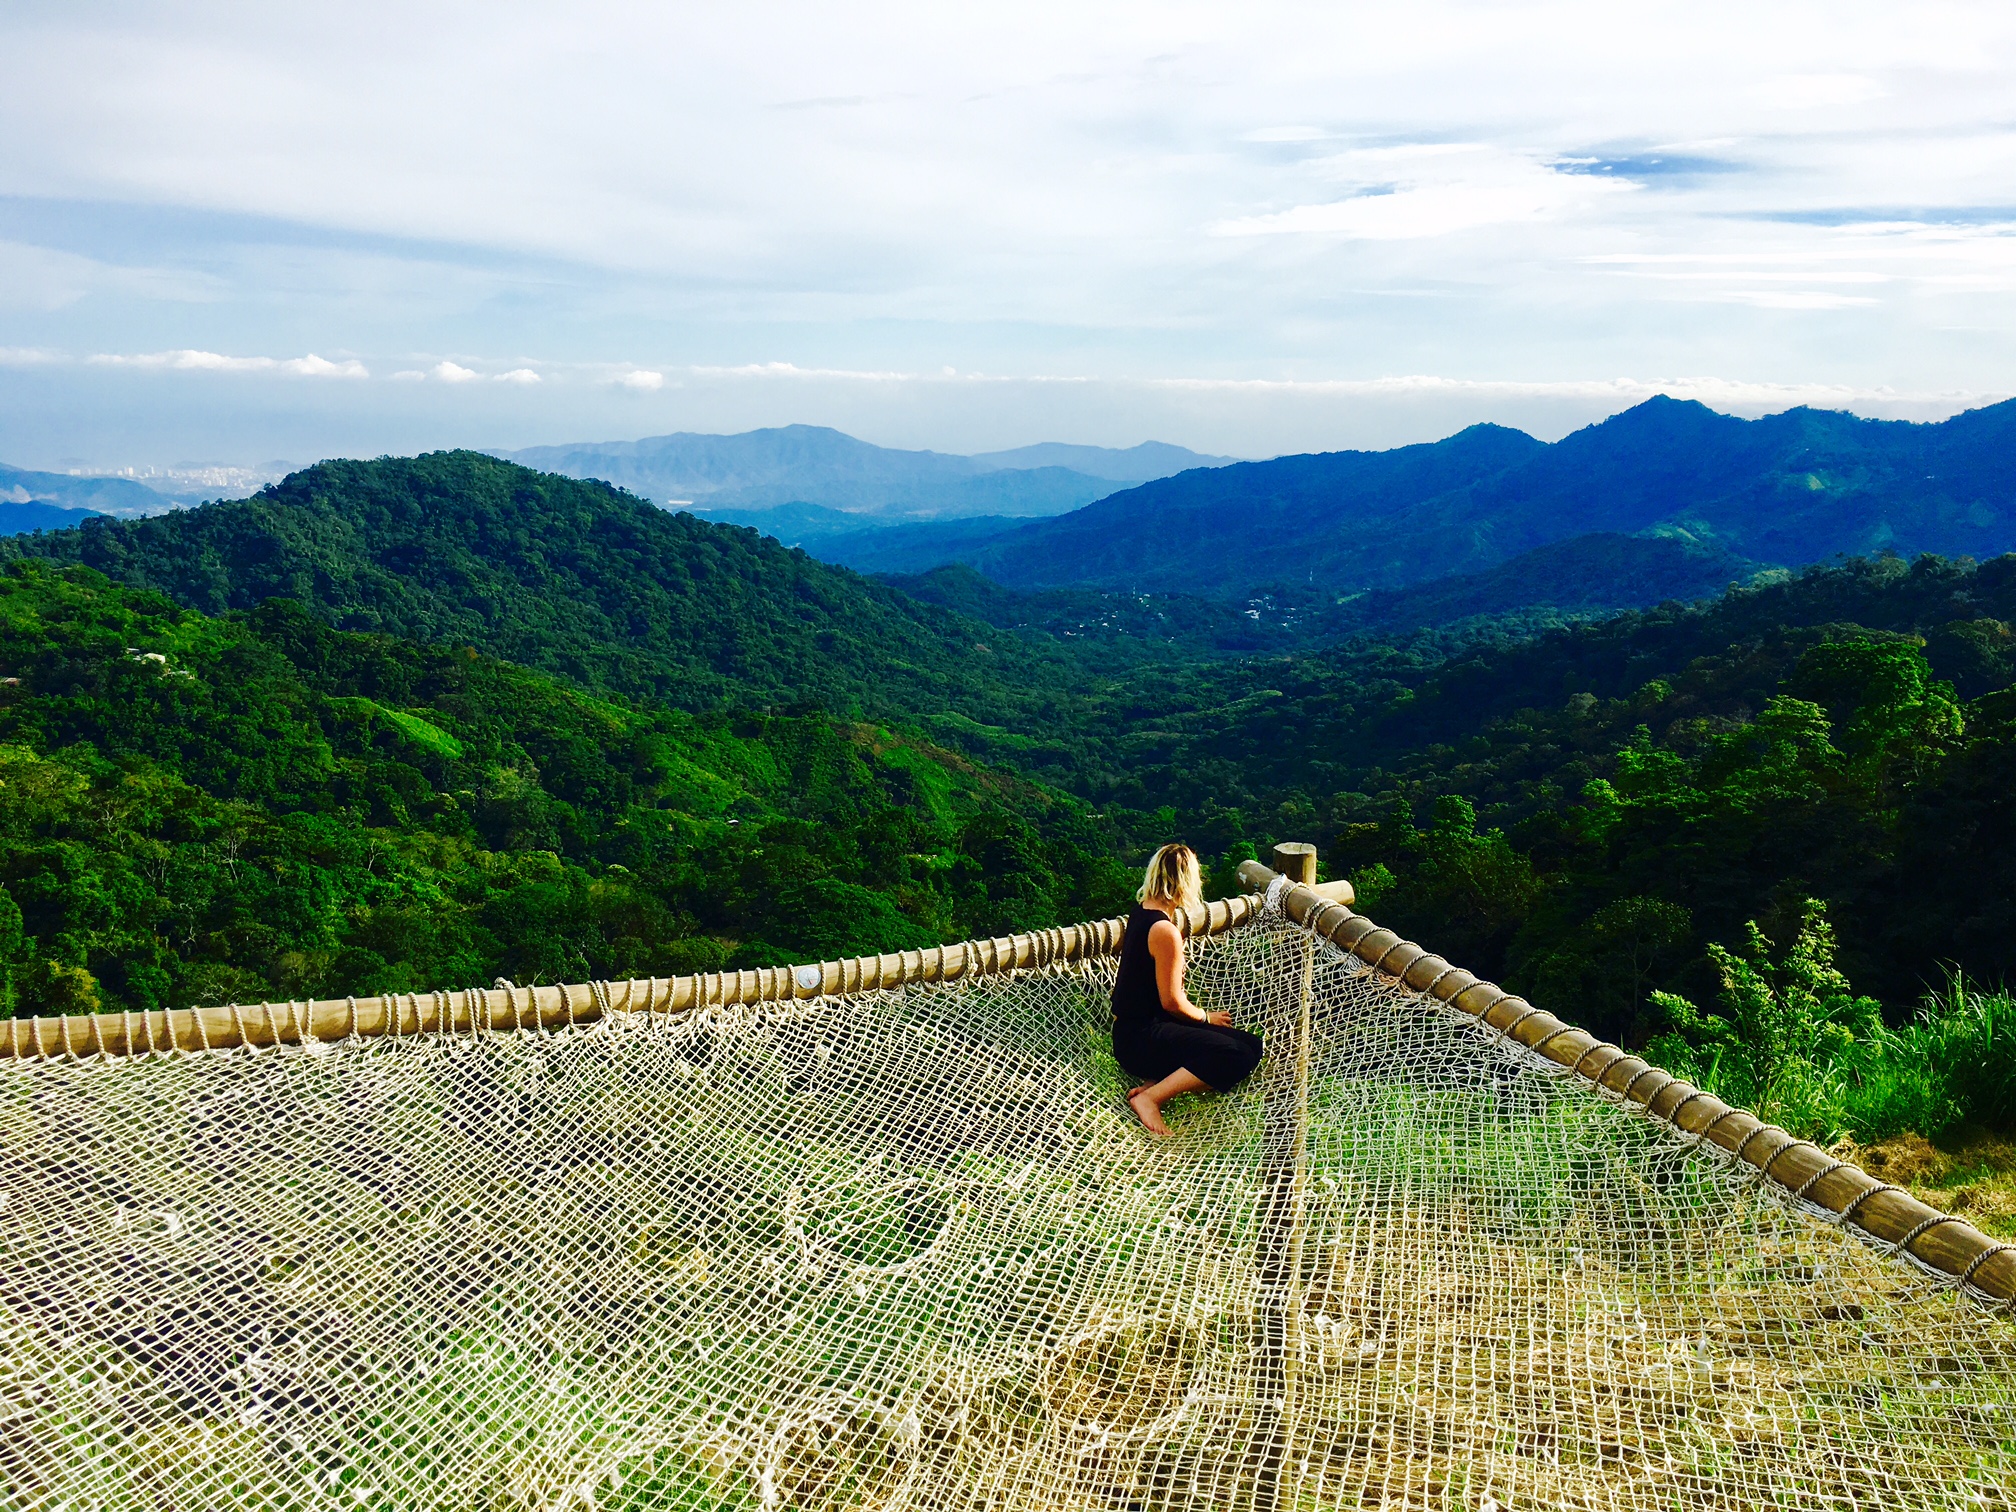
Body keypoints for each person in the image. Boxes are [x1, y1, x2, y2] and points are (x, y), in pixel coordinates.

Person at [1112, 843, 1264, 1137]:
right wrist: (1206, 1018)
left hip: (1136, 1032)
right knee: (1237, 1056)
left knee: (1251, 1046)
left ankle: (1155, 1082)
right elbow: (1172, 1002)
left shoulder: (1142, 912)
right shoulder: (1164, 931)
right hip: (1140, 1040)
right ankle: (1150, 1098)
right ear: (1186, 881)